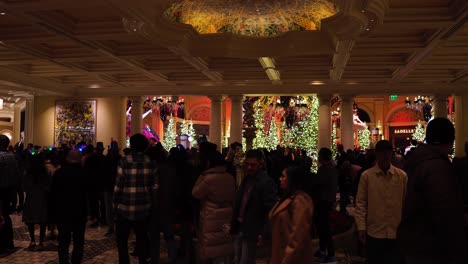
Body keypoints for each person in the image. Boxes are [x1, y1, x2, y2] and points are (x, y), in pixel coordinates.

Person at [398, 118, 468, 264]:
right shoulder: (436, 166)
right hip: (432, 246)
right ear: (449, 140)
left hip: (417, 241)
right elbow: (445, 212)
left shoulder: (420, 160)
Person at [354, 140, 407, 264]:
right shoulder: (367, 176)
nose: (385, 156)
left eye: (388, 152)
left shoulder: (402, 176)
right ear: (377, 154)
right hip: (375, 233)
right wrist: (361, 227)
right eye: (382, 153)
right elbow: (361, 203)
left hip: (396, 232)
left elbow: (406, 203)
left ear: (392, 154)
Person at [114, 133, 155, 264]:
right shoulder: (151, 162)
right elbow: (155, 186)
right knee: (142, 239)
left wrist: (115, 204)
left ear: (131, 145)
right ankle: (143, 261)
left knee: (122, 241)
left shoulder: (124, 161)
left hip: (124, 207)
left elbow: (118, 186)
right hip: (143, 207)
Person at [230, 149, 276, 264]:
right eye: (247, 164)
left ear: (261, 164)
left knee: (246, 260)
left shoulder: (266, 182)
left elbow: (269, 210)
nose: (249, 167)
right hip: (241, 227)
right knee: (238, 259)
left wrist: (264, 233)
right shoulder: (247, 179)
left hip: (252, 229)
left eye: (253, 165)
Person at [192, 150, 236, 263]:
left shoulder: (207, 178)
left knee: (211, 242)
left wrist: (200, 177)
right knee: (223, 241)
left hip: (211, 214)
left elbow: (196, 193)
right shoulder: (229, 177)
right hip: (227, 212)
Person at [49, 149, 89, 264]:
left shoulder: (59, 174)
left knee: (63, 240)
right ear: (80, 159)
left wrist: (52, 214)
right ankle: (76, 261)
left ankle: (63, 261)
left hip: (63, 212)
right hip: (79, 212)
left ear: (67, 159)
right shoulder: (84, 173)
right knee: (78, 241)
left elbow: (53, 195)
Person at [269, 166, 315, 264]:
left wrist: (287, 258)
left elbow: (297, 236)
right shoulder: (288, 198)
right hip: (281, 252)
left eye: (283, 176)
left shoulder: (300, 201)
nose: (280, 179)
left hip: (292, 257)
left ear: (292, 179)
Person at [312, 148, 338, 264]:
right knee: (322, 227)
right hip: (327, 200)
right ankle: (323, 250)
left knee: (324, 228)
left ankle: (331, 254)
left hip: (324, 201)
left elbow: (318, 183)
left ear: (322, 157)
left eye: (319, 156)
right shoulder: (331, 168)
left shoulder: (325, 169)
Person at [22, 153, 50, 250]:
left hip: (31, 197)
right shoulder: (44, 172)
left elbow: (24, 187)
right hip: (42, 197)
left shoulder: (28, 173)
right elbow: (48, 185)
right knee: (42, 221)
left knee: (30, 221)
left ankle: (32, 240)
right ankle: (41, 242)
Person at [0, 135, 20, 257]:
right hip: (9, 191)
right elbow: (16, 176)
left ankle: (1, 246)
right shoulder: (12, 157)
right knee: (6, 217)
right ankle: (9, 243)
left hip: (0, 191)